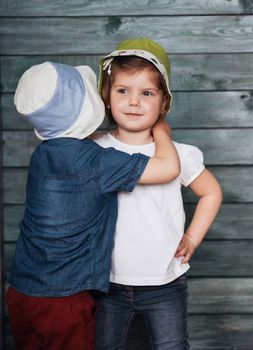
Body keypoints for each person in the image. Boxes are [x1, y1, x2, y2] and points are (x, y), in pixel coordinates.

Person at [6, 61, 180, 350]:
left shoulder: (42, 154)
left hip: (21, 291)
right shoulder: (98, 161)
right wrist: (161, 130)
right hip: (64, 299)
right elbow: (169, 167)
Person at [93, 37, 223, 349]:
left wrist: (191, 237)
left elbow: (211, 193)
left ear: (163, 103)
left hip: (165, 282)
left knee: (172, 346)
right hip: (107, 281)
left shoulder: (179, 154)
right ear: (107, 97)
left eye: (146, 93)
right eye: (123, 90)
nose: (133, 101)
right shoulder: (95, 148)